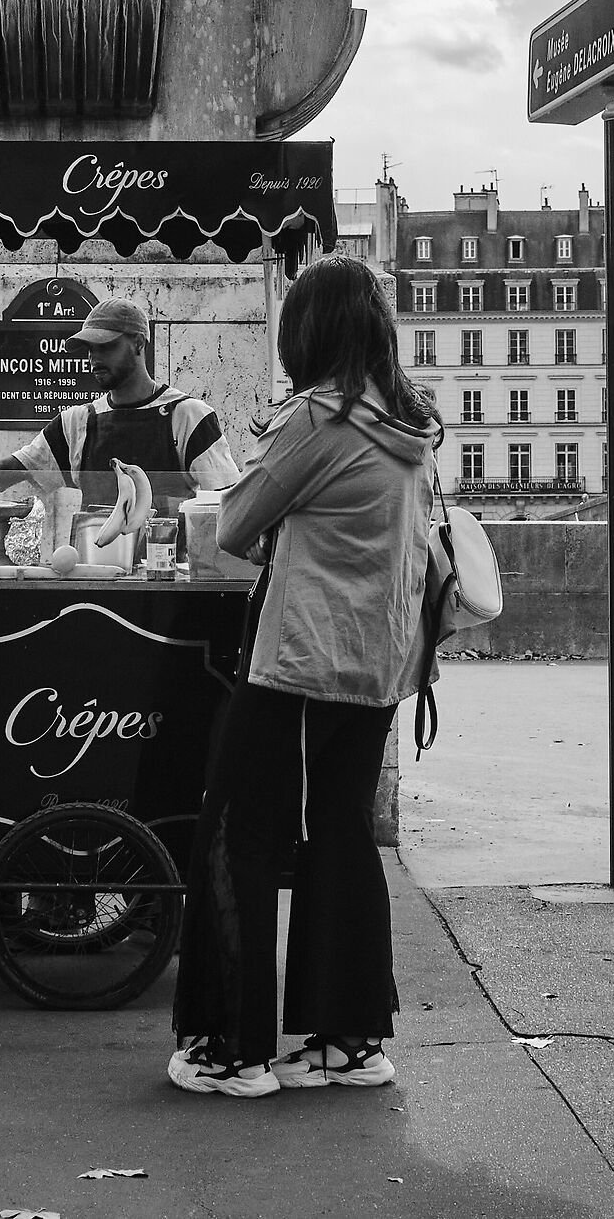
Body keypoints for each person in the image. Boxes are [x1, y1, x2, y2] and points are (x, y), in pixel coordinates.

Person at [167, 253, 441, 1099]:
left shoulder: (320, 418)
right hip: (378, 662)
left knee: (235, 837)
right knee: (341, 837)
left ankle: (232, 1049)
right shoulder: (409, 425)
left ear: (307, 332)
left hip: (297, 660)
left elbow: (234, 525)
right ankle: (349, 1042)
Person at [0, 297, 241, 514]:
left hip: (167, 579)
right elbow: (8, 472)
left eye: (105, 346)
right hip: (92, 574)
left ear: (138, 344)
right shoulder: (76, 422)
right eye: (89, 349)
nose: (94, 358)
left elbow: (227, 504)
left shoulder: (188, 416)